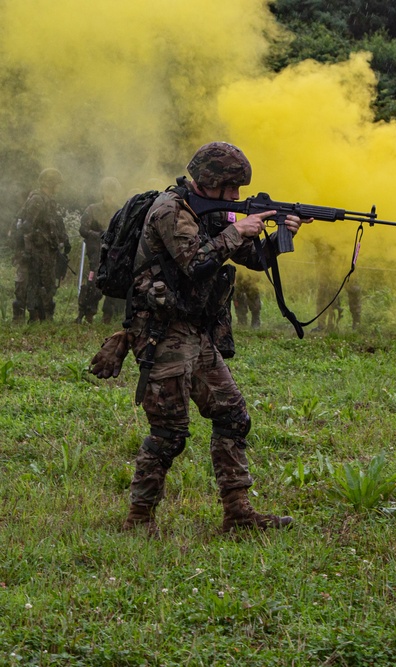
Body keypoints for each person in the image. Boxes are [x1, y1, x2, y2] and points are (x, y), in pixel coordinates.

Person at [107, 141, 309, 535]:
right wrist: (236, 231)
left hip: (197, 333)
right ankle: (138, 519)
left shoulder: (215, 213)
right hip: (162, 333)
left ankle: (238, 514)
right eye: (231, 188)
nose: (236, 196)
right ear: (210, 181)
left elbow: (254, 259)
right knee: (169, 433)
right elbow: (196, 263)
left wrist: (280, 236)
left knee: (232, 416)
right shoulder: (170, 210)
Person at [17, 168, 70, 322]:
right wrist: (27, 249)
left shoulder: (49, 201)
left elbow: (55, 224)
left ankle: (45, 315)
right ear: (50, 183)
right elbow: (27, 226)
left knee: (47, 283)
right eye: (57, 184)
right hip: (36, 250)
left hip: (47, 251)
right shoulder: (37, 200)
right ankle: (34, 316)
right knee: (35, 283)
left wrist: (64, 240)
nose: (59, 187)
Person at [77, 176, 126, 324]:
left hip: (114, 254)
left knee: (113, 283)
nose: (109, 194)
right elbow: (83, 230)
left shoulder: (120, 210)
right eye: (107, 191)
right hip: (96, 253)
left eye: (112, 191)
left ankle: (108, 316)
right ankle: (88, 314)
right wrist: (99, 235)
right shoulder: (92, 209)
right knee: (93, 284)